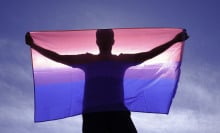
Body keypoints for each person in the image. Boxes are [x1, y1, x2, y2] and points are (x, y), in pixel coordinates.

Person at [25, 29, 189, 133]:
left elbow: (148, 54)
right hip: (93, 115)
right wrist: (34, 46)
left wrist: (174, 41)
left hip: (117, 113)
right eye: (101, 37)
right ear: (97, 41)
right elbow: (59, 58)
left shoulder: (121, 60)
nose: (104, 40)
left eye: (107, 37)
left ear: (113, 41)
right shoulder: (87, 60)